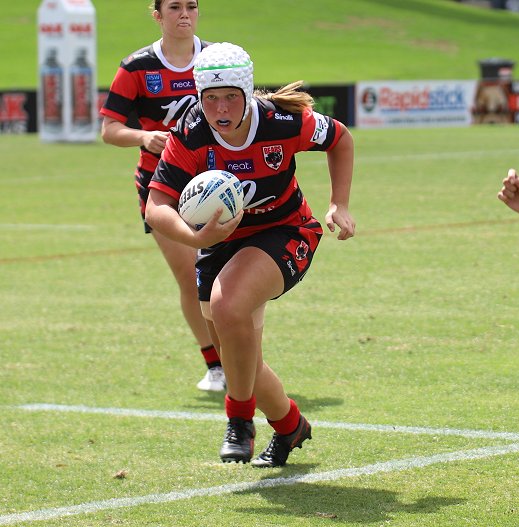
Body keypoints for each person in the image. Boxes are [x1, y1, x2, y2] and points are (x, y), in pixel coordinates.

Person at [146, 42, 355, 466]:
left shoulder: (283, 122)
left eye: (230, 97)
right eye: (211, 98)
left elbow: (341, 139)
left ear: (246, 93)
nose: (220, 109)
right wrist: (195, 237)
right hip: (219, 243)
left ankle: (238, 419)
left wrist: (340, 203)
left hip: (286, 230)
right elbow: (157, 206)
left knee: (228, 307)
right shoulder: (189, 133)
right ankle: (290, 426)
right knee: (241, 357)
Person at [99, 0, 225, 392]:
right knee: (192, 278)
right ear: (157, 15)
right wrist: (143, 137)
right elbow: (110, 129)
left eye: (191, 6)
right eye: (174, 7)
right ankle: (216, 365)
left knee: (228, 277)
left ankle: (243, 359)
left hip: (217, 184)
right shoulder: (136, 67)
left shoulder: (216, 58)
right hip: (163, 189)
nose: (184, 14)